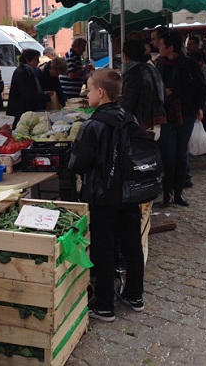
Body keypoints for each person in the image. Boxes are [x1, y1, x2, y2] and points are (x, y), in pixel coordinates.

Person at [68, 68, 145, 322]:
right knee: (132, 244)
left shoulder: (93, 124)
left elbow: (78, 164)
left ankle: (104, 305)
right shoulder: (130, 118)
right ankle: (135, 295)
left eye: (88, 90)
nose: (86, 94)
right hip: (129, 194)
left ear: (100, 93)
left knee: (103, 248)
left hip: (102, 196)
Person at [156, 31, 206, 206]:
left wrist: (199, 107)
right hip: (166, 116)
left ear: (171, 47)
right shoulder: (160, 65)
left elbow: (203, 87)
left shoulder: (189, 63)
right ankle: (166, 194)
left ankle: (178, 193)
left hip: (185, 114)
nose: (159, 47)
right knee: (168, 154)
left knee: (181, 154)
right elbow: (154, 88)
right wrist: (163, 93)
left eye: (161, 44)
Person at [121, 39, 166, 137]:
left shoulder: (134, 72)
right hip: (155, 120)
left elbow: (129, 102)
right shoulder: (150, 68)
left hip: (143, 123)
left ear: (126, 56)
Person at [6, 49, 54, 125]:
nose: (38, 62)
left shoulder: (28, 71)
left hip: (24, 112)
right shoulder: (22, 73)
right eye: (36, 59)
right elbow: (28, 95)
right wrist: (44, 96)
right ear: (28, 59)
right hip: (20, 113)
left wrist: (43, 93)